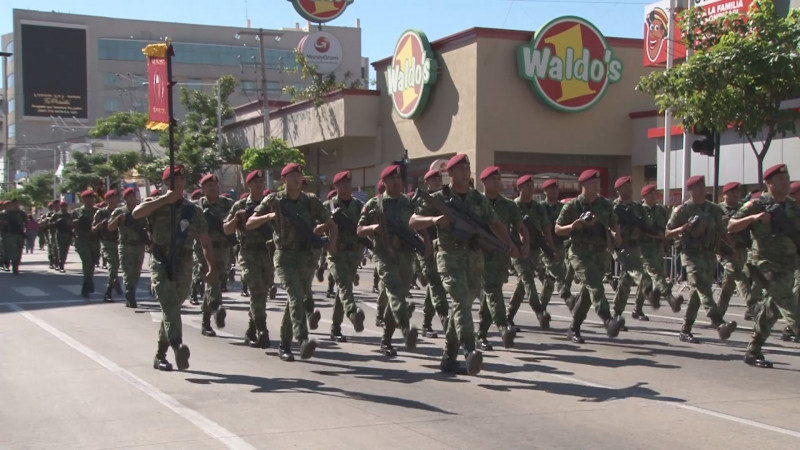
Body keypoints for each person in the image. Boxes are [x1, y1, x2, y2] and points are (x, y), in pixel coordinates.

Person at [411, 154, 519, 375]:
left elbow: (495, 224)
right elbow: (413, 221)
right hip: (449, 258)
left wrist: (509, 244)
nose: (465, 172)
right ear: (449, 173)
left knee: (463, 308)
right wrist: (433, 220)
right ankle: (470, 350)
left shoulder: (478, 199)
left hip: (474, 260)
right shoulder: (439, 198)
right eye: (460, 168)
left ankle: (448, 359)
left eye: (467, 168)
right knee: (461, 301)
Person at [247, 163, 337, 362]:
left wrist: (331, 242)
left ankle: (284, 344)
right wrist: (269, 215)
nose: (298, 178)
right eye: (293, 175)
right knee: (296, 297)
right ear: (284, 179)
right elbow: (249, 223)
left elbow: (331, 222)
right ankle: (302, 340)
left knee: (293, 301)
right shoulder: (274, 200)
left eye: (300, 175)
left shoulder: (310, 201)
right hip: (285, 257)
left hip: (306, 258)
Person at [133, 164, 215, 372]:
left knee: (172, 310)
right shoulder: (156, 203)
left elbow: (205, 242)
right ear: (165, 184)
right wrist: (164, 200)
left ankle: (160, 355)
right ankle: (178, 346)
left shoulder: (192, 210)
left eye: (181, 180)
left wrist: (211, 267)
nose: (178, 184)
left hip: (185, 264)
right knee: (169, 306)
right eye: (173, 181)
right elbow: (136, 214)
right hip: (161, 261)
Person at [728, 164, 800, 368]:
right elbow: (731, 225)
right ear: (769, 183)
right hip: (765, 266)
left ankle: (753, 349)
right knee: (789, 304)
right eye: (781, 180)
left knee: (772, 309)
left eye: (787, 179)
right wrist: (755, 218)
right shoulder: (757, 204)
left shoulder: (794, 206)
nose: (786, 183)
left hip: (788, 264)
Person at [665, 175, 737, 343]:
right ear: (690, 191)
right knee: (703, 288)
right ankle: (718, 323)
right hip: (691, 256)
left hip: (709, 255)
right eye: (697, 187)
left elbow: (722, 231)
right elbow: (667, 233)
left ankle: (685, 329)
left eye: (703, 186)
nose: (702, 190)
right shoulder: (682, 210)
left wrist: (732, 249)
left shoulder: (713, 209)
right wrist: (683, 228)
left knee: (697, 295)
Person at [555, 169, 624, 344]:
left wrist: (616, 235)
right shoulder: (573, 206)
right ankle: (608, 319)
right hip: (580, 252)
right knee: (594, 284)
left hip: (601, 253)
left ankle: (574, 328)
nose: (597, 186)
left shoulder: (606, 205)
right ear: (584, 185)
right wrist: (573, 226)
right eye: (593, 183)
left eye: (598, 183)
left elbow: (614, 223)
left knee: (587, 294)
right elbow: (557, 229)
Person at [359, 164, 420, 356]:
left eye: (398, 178)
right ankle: (406, 328)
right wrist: (373, 228)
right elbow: (359, 230)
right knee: (394, 291)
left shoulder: (408, 202)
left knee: (398, 297)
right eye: (392, 178)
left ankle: (386, 340)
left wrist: (426, 243)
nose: (397, 181)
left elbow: (419, 224)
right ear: (384, 182)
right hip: (385, 255)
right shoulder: (374, 204)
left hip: (406, 256)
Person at [476, 166, 525, 350]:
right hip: (480, 256)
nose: (497, 182)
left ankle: (481, 334)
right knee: (492, 292)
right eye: (493, 179)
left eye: (499, 179)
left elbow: (521, 228)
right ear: (484, 182)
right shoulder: (476, 202)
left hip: (501, 257)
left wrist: (524, 243)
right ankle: (503, 327)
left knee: (490, 294)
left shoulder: (509, 205)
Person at [225, 170, 273, 349]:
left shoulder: (272, 204)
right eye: (256, 182)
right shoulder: (241, 205)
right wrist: (237, 218)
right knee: (256, 291)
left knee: (263, 293)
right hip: (249, 254)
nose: (260, 184)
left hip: (268, 254)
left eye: (262, 181)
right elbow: (227, 230)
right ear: (249, 185)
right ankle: (262, 329)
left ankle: (251, 331)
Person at [508, 174, 554, 330]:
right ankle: (540, 312)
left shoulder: (538, 207)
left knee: (522, 285)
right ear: (519, 188)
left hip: (534, 251)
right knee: (528, 279)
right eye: (527, 185)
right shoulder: (512, 206)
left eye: (532, 185)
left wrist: (550, 248)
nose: (530, 188)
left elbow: (546, 228)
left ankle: (509, 315)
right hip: (517, 250)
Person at [326, 170, 367, 342]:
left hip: (354, 253)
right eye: (342, 183)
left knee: (343, 290)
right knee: (344, 286)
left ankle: (335, 327)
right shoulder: (328, 206)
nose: (346, 186)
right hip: (336, 253)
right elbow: (318, 227)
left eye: (348, 183)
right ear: (335, 186)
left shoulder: (358, 205)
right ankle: (353, 313)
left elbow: (365, 226)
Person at [611, 176, 654, 326]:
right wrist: (614, 235)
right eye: (625, 187)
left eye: (630, 186)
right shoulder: (613, 207)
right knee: (633, 275)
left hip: (635, 247)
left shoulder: (638, 207)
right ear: (618, 190)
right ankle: (617, 313)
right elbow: (607, 225)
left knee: (631, 279)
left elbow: (647, 225)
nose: (629, 189)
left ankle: (624, 311)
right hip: (620, 247)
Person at [197, 174, 234, 338]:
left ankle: (205, 321)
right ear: (203, 189)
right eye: (209, 186)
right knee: (212, 278)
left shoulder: (227, 204)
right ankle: (217, 306)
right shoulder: (196, 207)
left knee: (217, 279)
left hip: (224, 248)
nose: (213, 188)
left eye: (215, 185)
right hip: (204, 249)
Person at [717, 182, 759, 321]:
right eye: (732, 192)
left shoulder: (743, 208)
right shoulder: (718, 210)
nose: (736, 195)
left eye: (737, 192)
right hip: (725, 251)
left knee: (728, 285)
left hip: (741, 250)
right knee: (738, 274)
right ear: (725, 194)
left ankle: (718, 314)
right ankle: (752, 305)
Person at [640, 184, 683, 313]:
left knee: (647, 279)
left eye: (655, 193)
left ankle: (639, 307)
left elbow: (665, 228)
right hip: (644, 249)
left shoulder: (660, 210)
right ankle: (671, 299)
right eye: (651, 194)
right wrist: (655, 234)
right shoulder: (640, 210)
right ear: (645, 196)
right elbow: (641, 228)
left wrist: (666, 245)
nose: (654, 196)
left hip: (658, 248)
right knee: (657, 275)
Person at [417, 169, 449, 338]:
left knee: (434, 285)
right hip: (427, 248)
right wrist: (425, 242)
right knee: (437, 285)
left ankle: (426, 324)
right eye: (433, 180)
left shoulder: (446, 198)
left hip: (444, 247)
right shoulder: (421, 200)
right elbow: (414, 224)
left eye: (439, 179)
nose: (437, 182)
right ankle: (446, 320)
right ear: (426, 183)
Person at [108, 187, 149, 308]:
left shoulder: (141, 211)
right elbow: (110, 227)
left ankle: (132, 292)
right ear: (125, 198)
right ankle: (129, 293)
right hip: (125, 246)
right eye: (130, 196)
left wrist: (149, 242)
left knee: (136, 272)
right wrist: (118, 219)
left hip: (139, 246)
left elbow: (147, 227)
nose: (132, 199)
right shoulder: (119, 211)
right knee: (127, 271)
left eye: (134, 196)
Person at [540, 179, 572, 307]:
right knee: (558, 271)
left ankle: (541, 305)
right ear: (545, 191)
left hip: (560, 244)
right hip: (546, 246)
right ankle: (567, 297)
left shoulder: (562, 207)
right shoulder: (541, 207)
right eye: (551, 189)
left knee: (551, 277)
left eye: (556, 189)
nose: (555, 191)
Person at [93, 190, 122, 303]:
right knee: (112, 266)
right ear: (107, 200)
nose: (114, 200)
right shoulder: (101, 213)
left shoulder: (120, 211)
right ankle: (109, 291)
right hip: (107, 242)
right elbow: (93, 228)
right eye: (111, 198)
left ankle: (114, 283)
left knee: (116, 266)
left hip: (119, 242)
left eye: (115, 197)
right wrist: (99, 226)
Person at [72, 190, 101, 298]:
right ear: (83, 199)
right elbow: (70, 225)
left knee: (93, 262)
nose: (91, 200)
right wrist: (76, 222)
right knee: (87, 261)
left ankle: (88, 282)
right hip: (82, 240)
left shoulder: (98, 211)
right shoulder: (77, 212)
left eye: (92, 198)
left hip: (94, 240)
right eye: (88, 198)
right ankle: (86, 284)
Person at [0, 199, 27, 273]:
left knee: (19, 250)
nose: (16, 205)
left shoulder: (21, 213)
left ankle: (16, 264)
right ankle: (13, 265)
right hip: (9, 234)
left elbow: (26, 223)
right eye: (14, 203)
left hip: (20, 234)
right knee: (12, 250)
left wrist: (26, 233)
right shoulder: (6, 213)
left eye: (17, 203)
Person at [189, 188, 205, 305]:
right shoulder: (191, 211)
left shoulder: (206, 209)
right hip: (197, 246)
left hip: (208, 245)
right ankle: (193, 293)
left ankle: (205, 294)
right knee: (199, 270)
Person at [51, 200, 72, 273]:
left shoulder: (70, 215)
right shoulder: (56, 215)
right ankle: (61, 265)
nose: (64, 208)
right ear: (60, 207)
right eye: (62, 206)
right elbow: (50, 224)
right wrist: (57, 222)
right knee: (60, 250)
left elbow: (73, 224)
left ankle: (61, 262)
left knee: (65, 250)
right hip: (60, 234)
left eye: (65, 206)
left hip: (68, 234)